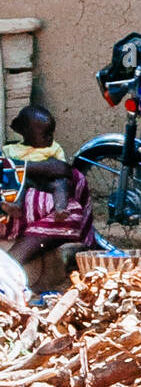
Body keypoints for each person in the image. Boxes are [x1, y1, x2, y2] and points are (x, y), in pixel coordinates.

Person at [0, 105, 95, 278]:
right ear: (25, 133)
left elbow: (62, 169)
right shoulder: (11, 150)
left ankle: (60, 209)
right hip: (19, 191)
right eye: (45, 134)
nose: (50, 138)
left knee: (65, 184)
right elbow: (10, 169)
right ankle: (7, 269)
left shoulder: (52, 148)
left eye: (51, 133)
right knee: (73, 212)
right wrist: (31, 169)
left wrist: (27, 168)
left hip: (45, 185)